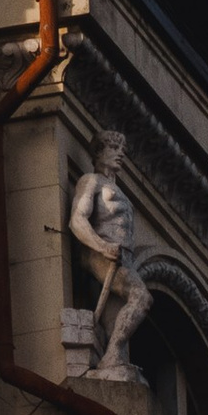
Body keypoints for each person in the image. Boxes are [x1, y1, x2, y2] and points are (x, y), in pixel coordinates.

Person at [68, 127, 148, 382]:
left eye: (122, 149)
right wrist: (102, 247)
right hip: (100, 255)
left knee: (116, 323)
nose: (120, 154)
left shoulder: (119, 190)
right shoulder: (90, 181)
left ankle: (113, 363)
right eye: (114, 148)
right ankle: (112, 355)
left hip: (122, 259)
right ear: (99, 152)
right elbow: (77, 221)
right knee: (141, 297)